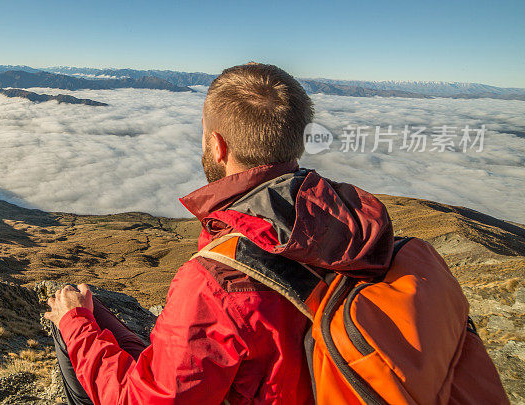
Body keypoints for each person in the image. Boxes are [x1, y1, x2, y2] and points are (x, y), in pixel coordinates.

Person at [43, 63, 387, 404]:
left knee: (70, 323)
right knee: (96, 316)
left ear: (218, 147)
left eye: (203, 135)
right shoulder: (361, 234)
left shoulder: (214, 286)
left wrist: (75, 324)